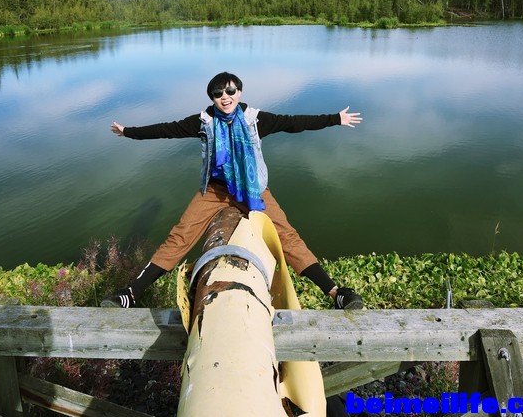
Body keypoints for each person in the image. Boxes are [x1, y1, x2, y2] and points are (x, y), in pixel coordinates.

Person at [101, 71, 364, 310]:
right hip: (214, 191)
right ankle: (131, 293)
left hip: (252, 190)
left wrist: (335, 119)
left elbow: (293, 122)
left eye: (230, 91)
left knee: (287, 236)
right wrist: (129, 132)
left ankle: (336, 293)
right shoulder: (204, 122)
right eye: (218, 94)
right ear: (212, 98)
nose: (225, 97)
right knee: (180, 236)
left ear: (239, 92)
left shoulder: (255, 120)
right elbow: (166, 130)